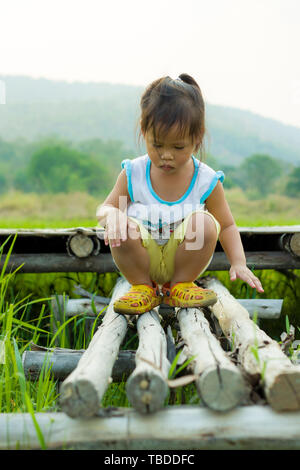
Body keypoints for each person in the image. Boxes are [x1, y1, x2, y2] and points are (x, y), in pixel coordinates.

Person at [96, 74, 264, 315]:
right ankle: (143, 288)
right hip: (142, 259)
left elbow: (226, 225)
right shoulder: (133, 173)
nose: (166, 155)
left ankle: (181, 286)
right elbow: (105, 208)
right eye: (157, 145)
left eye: (178, 147)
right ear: (144, 132)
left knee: (205, 223)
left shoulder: (206, 180)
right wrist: (112, 216)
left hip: (183, 260)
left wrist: (239, 262)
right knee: (122, 222)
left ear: (196, 139)